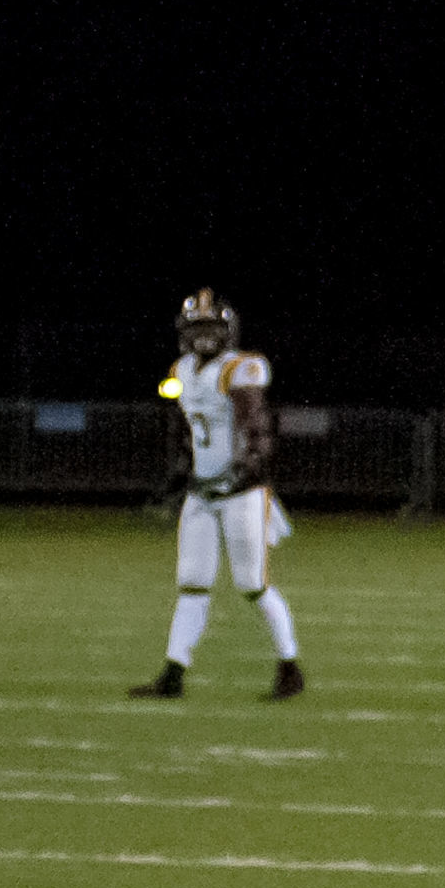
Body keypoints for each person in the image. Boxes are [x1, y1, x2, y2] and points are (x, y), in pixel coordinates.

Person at [128, 288, 304, 701]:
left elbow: (257, 428)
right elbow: (193, 432)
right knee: (192, 583)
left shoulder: (240, 368)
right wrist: (182, 471)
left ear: (228, 331)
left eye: (211, 328)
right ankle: (173, 675)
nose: (204, 337)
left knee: (252, 584)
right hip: (203, 492)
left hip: (241, 494)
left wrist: (248, 466)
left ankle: (289, 666)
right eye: (198, 328)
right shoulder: (182, 369)